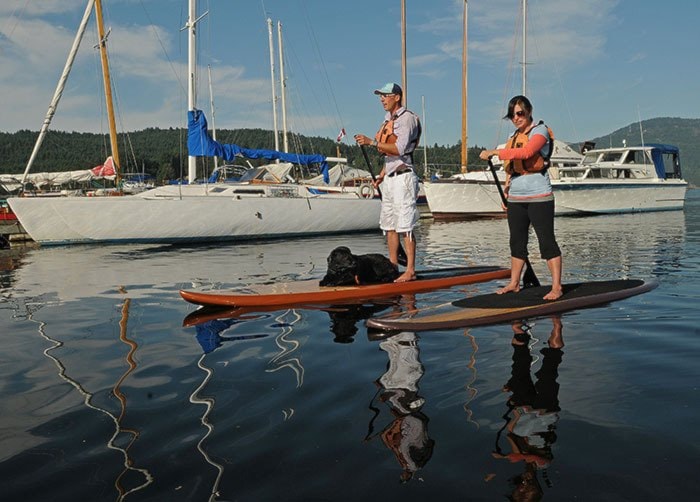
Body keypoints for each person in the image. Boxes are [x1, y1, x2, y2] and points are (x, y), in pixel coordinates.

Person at [479, 95, 563, 300]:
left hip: (539, 195)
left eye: (519, 113)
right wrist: (507, 189)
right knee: (516, 241)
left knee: (546, 241)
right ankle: (514, 283)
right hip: (516, 197)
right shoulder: (513, 137)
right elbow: (512, 168)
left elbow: (527, 152)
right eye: (512, 115)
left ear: (529, 111)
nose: (516, 118)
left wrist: (496, 152)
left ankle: (556, 287)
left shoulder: (540, 131)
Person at [354, 82, 421, 283]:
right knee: (389, 225)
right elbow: (391, 157)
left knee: (405, 225)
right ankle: (393, 267)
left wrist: (371, 142)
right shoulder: (388, 120)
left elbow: (400, 149)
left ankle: (410, 270)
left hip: (404, 179)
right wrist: (383, 174)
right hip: (391, 180)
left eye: (386, 95)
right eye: (380, 96)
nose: (382, 99)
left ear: (397, 97)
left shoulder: (407, 119)